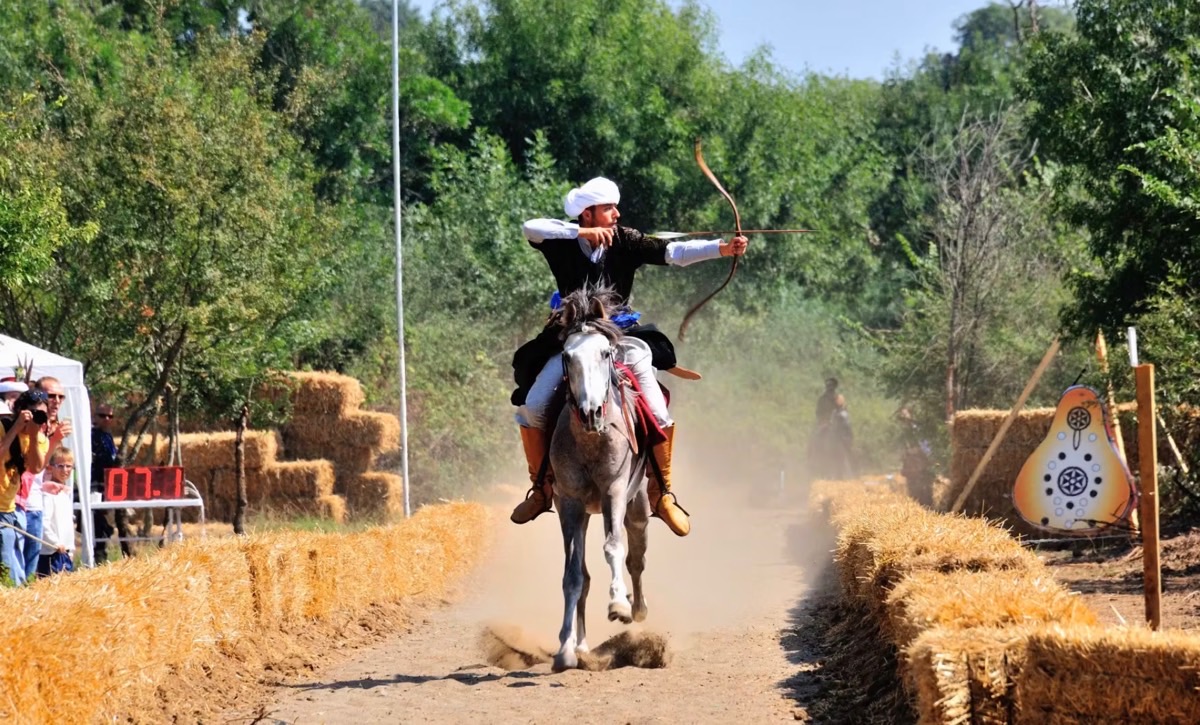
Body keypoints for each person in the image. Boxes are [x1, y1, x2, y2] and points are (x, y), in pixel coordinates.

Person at [510, 176, 749, 536]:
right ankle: (542, 488)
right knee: (533, 405)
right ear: (587, 214)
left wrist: (722, 248)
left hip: (620, 339)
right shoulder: (560, 241)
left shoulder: (627, 239)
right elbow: (531, 227)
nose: (617, 214)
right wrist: (580, 235)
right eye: (609, 209)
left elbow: (673, 252)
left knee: (657, 409)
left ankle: (661, 493)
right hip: (570, 340)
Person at [18, 376, 72, 580]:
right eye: (51, 396)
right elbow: (30, 466)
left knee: (35, 571)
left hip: (41, 505)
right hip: (22, 505)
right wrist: (55, 438)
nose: (56, 401)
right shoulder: (27, 427)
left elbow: (43, 468)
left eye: (61, 397)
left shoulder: (54, 427)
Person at [0, 390, 52, 585]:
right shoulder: (3, 427)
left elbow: (35, 467)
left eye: (42, 414)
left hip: (9, 508)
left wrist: (32, 432)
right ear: (21, 410)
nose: (37, 418)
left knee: (16, 572)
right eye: (33, 412)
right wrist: (16, 427)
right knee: (9, 572)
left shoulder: (39, 439)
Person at [90, 403, 123, 562]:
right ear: (95, 417)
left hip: (108, 488)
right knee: (98, 527)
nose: (107, 419)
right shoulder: (91, 435)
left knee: (105, 526)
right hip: (95, 487)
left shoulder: (108, 436)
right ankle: (98, 560)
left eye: (110, 416)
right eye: (103, 415)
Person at [37, 447, 75, 577]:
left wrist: (70, 549)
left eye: (68, 466)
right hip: (51, 552)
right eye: (60, 466)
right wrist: (54, 543)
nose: (65, 470)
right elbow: (44, 522)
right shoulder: (48, 494)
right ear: (51, 467)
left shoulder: (65, 493)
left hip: (65, 551)